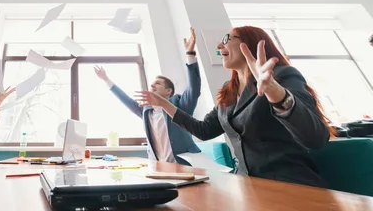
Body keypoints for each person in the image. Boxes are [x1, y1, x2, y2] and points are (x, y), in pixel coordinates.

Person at [135, 26, 333, 188]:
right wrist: (162, 104)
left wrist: (277, 94)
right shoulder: (228, 90)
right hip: (247, 185)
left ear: (250, 43)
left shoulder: (282, 76)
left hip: (289, 184)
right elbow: (203, 130)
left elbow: (316, 137)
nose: (219, 45)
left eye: (227, 38)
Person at [94, 28, 202, 165]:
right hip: (158, 167)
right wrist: (106, 80)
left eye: (157, 83)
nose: (152, 86)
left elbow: (194, 88)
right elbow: (125, 100)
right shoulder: (146, 110)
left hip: (184, 165)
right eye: (151, 84)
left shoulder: (180, 104)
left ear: (169, 91)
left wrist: (190, 54)